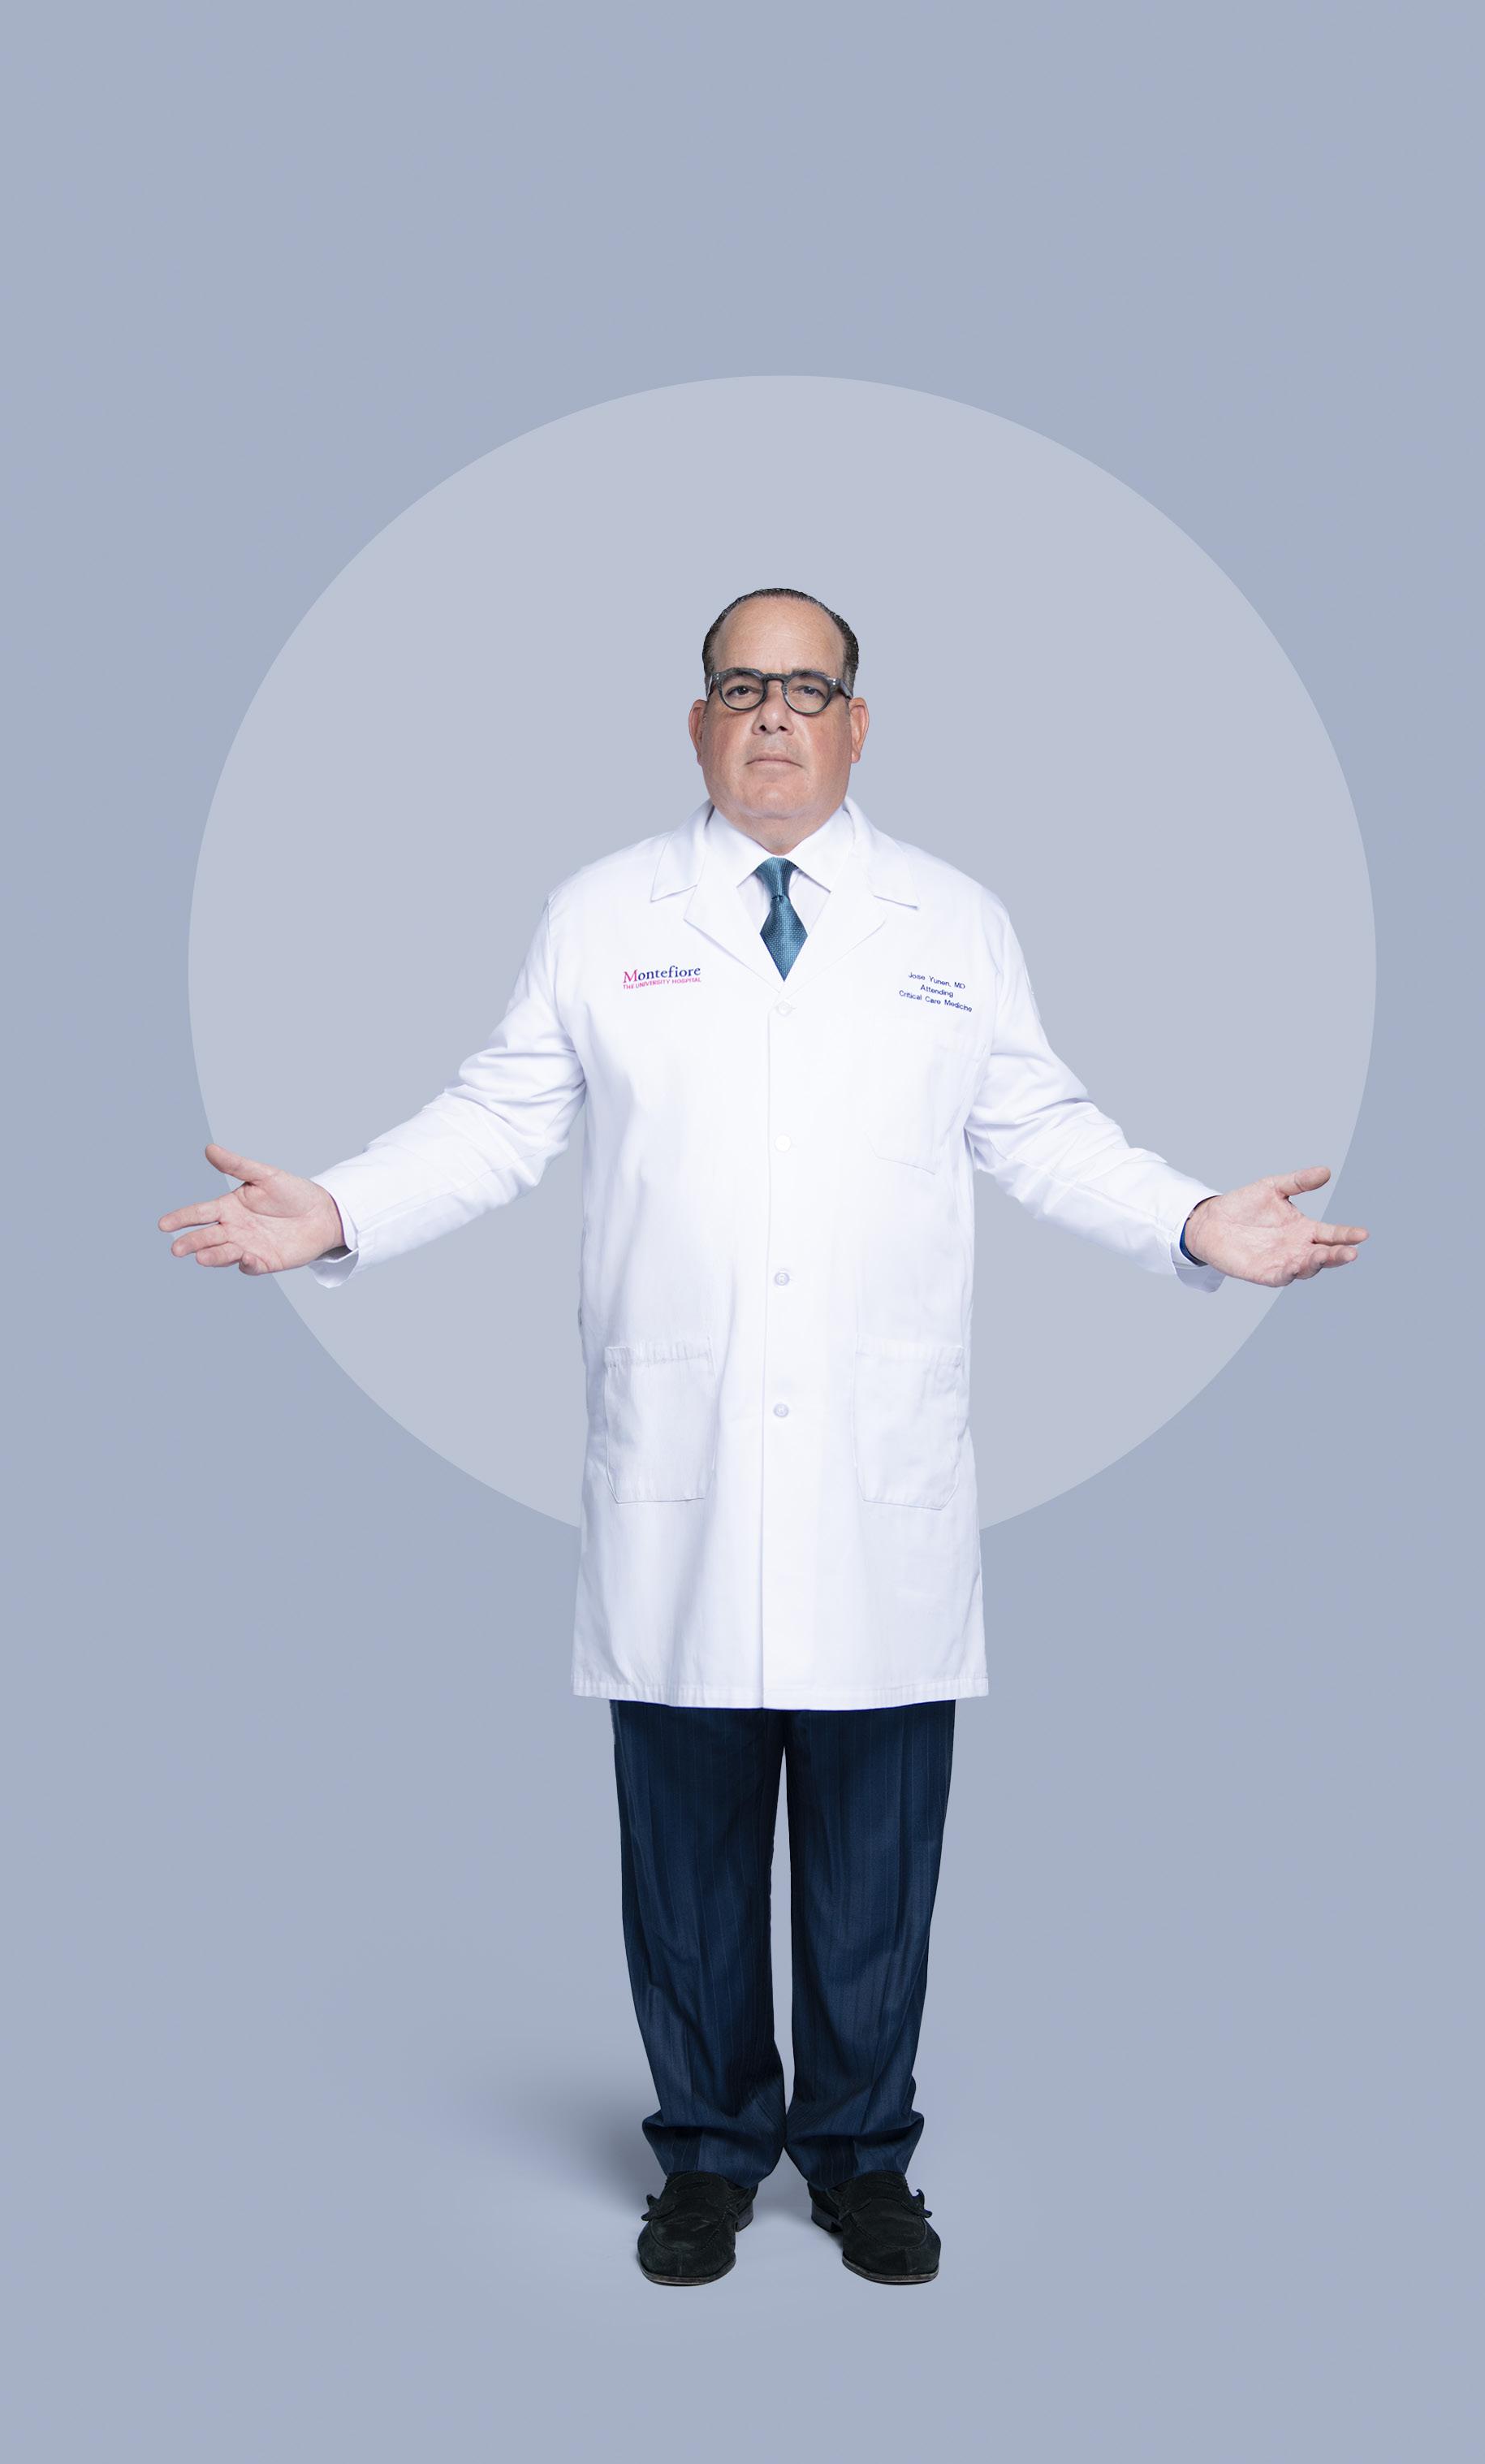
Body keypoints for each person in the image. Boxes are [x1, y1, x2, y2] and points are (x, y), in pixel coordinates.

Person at [158, 586, 1367, 2289]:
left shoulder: (951, 920)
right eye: (741, 686)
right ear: (697, 724)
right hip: (685, 1473)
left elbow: (1039, 1127)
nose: (775, 714)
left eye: (808, 687)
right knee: (689, 1862)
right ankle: (710, 2156)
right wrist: (342, 1206)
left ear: (860, 724)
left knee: (876, 1864)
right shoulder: (603, 914)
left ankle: (865, 2160)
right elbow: (498, 1119)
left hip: (880, 1480)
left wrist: (1187, 1219)